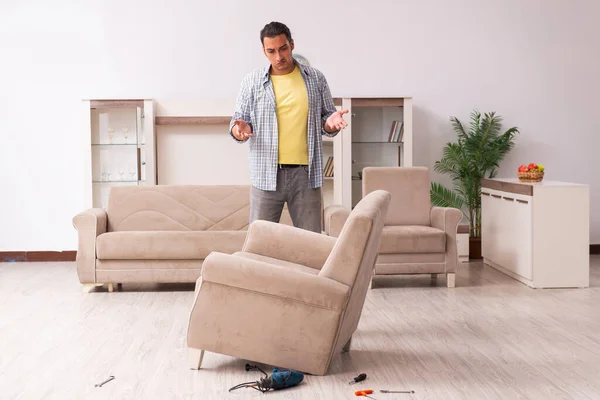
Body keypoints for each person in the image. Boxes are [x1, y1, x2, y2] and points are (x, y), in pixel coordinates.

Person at [229, 21, 348, 233]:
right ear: (263, 51)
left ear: (291, 44)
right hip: (266, 174)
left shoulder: (315, 78)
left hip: (306, 175)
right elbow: (238, 121)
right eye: (271, 51)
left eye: (283, 48)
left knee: (311, 241)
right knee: (259, 242)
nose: (278, 57)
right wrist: (239, 129)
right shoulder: (252, 82)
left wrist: (330, 124)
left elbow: (327, 119)